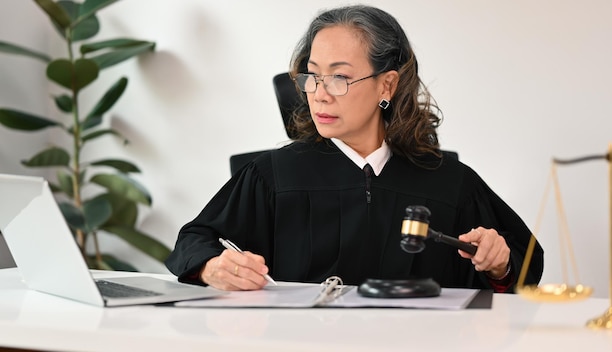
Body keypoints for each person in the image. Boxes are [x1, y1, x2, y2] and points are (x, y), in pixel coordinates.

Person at [165, 5, 544, 293]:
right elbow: (192, 241)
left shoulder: (449, 182)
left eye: (340, 77)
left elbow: (523, 268)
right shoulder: (275, 176)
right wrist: (213, 266)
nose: (319, 93)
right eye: (312, 75)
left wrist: (499, 263)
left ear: (387, 85)